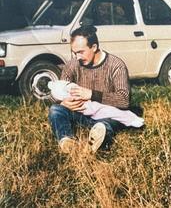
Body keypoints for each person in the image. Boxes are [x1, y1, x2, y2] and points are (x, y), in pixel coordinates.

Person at [48, 25, 131, 153]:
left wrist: (92, 94)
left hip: (108, 115)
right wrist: (62, 102)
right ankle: (67, 140)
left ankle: (98, 139)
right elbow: (59, 89)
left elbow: (124, 100)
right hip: (82, 113)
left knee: (106, 124)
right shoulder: (72, 65)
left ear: (94, 47)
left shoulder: (116, 65)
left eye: (81, 52)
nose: (77, 57)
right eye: (74, 53)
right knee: (55, 110)